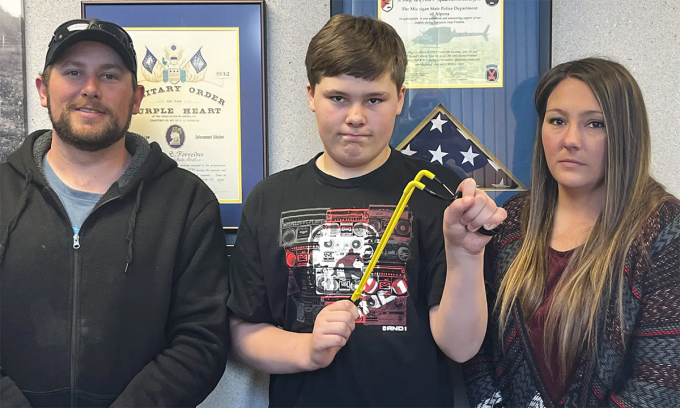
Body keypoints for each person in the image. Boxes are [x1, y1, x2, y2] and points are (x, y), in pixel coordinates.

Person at [227, 14, 506, 407]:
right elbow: (243, 333)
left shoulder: (438, 190)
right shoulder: (270, 198)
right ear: (311, 95)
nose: (355, 117)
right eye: (338, 98)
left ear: (400, 99)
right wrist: (307, 350)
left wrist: (465, 254)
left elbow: (461, 348)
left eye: (374, 99)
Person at [0, 18, 228, 407]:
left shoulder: (188, 202)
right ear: (42, 89)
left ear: (136, 97)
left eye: (109, 75)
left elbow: (202, 340)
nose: (90, 89)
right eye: (73, 72)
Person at [463, 57, 680, 407]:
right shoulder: (512, 220)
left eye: (595, 124)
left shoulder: (664, 229)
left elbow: (661, 383)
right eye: (557, 121)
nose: (571, 140)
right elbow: (478, 351)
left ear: (626, 133)